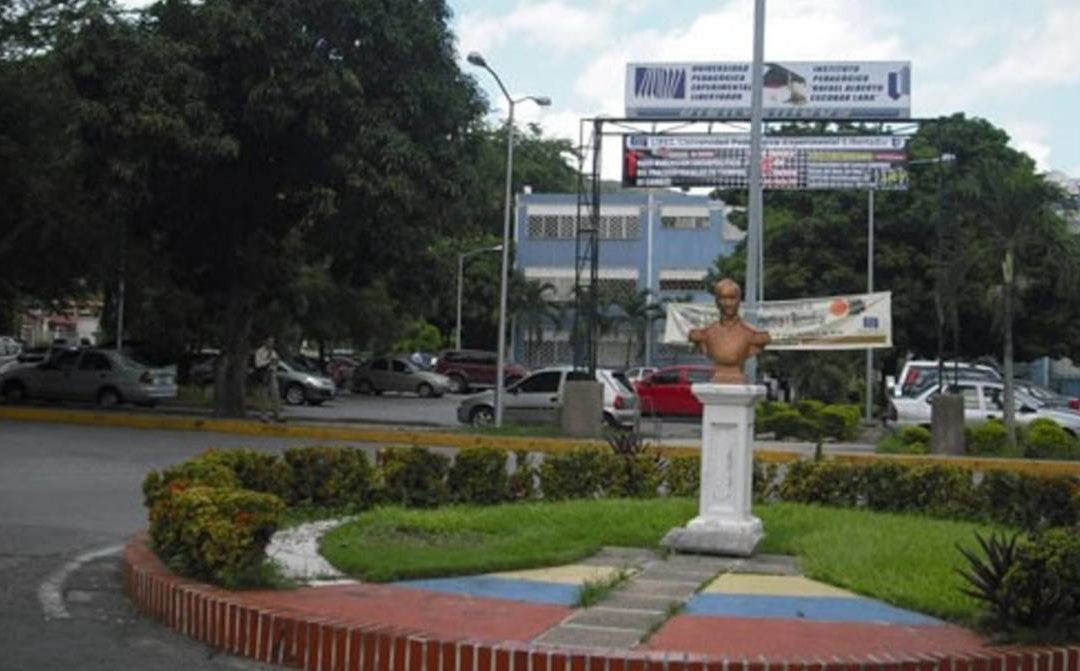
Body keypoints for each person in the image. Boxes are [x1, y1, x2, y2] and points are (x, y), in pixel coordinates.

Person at [688, 278, 771, 384]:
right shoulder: (705, 335)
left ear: (739, 300)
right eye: (723, 298)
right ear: (717, 301)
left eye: (732, 298)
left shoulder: (753, 336)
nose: (728, 303)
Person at [253, 336, 283, 422]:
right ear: (265, 342)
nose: (271, 344)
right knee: (264, 396)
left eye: (272, 342)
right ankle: (264, 416)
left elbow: (276, 363)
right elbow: (258, 364)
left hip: (272, 374)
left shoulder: (274, 352)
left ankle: (277, 415)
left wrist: (275, 363)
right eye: (269, 342)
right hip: (263, 374)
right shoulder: (259, 352)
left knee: (275, 395)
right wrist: (269, 361)